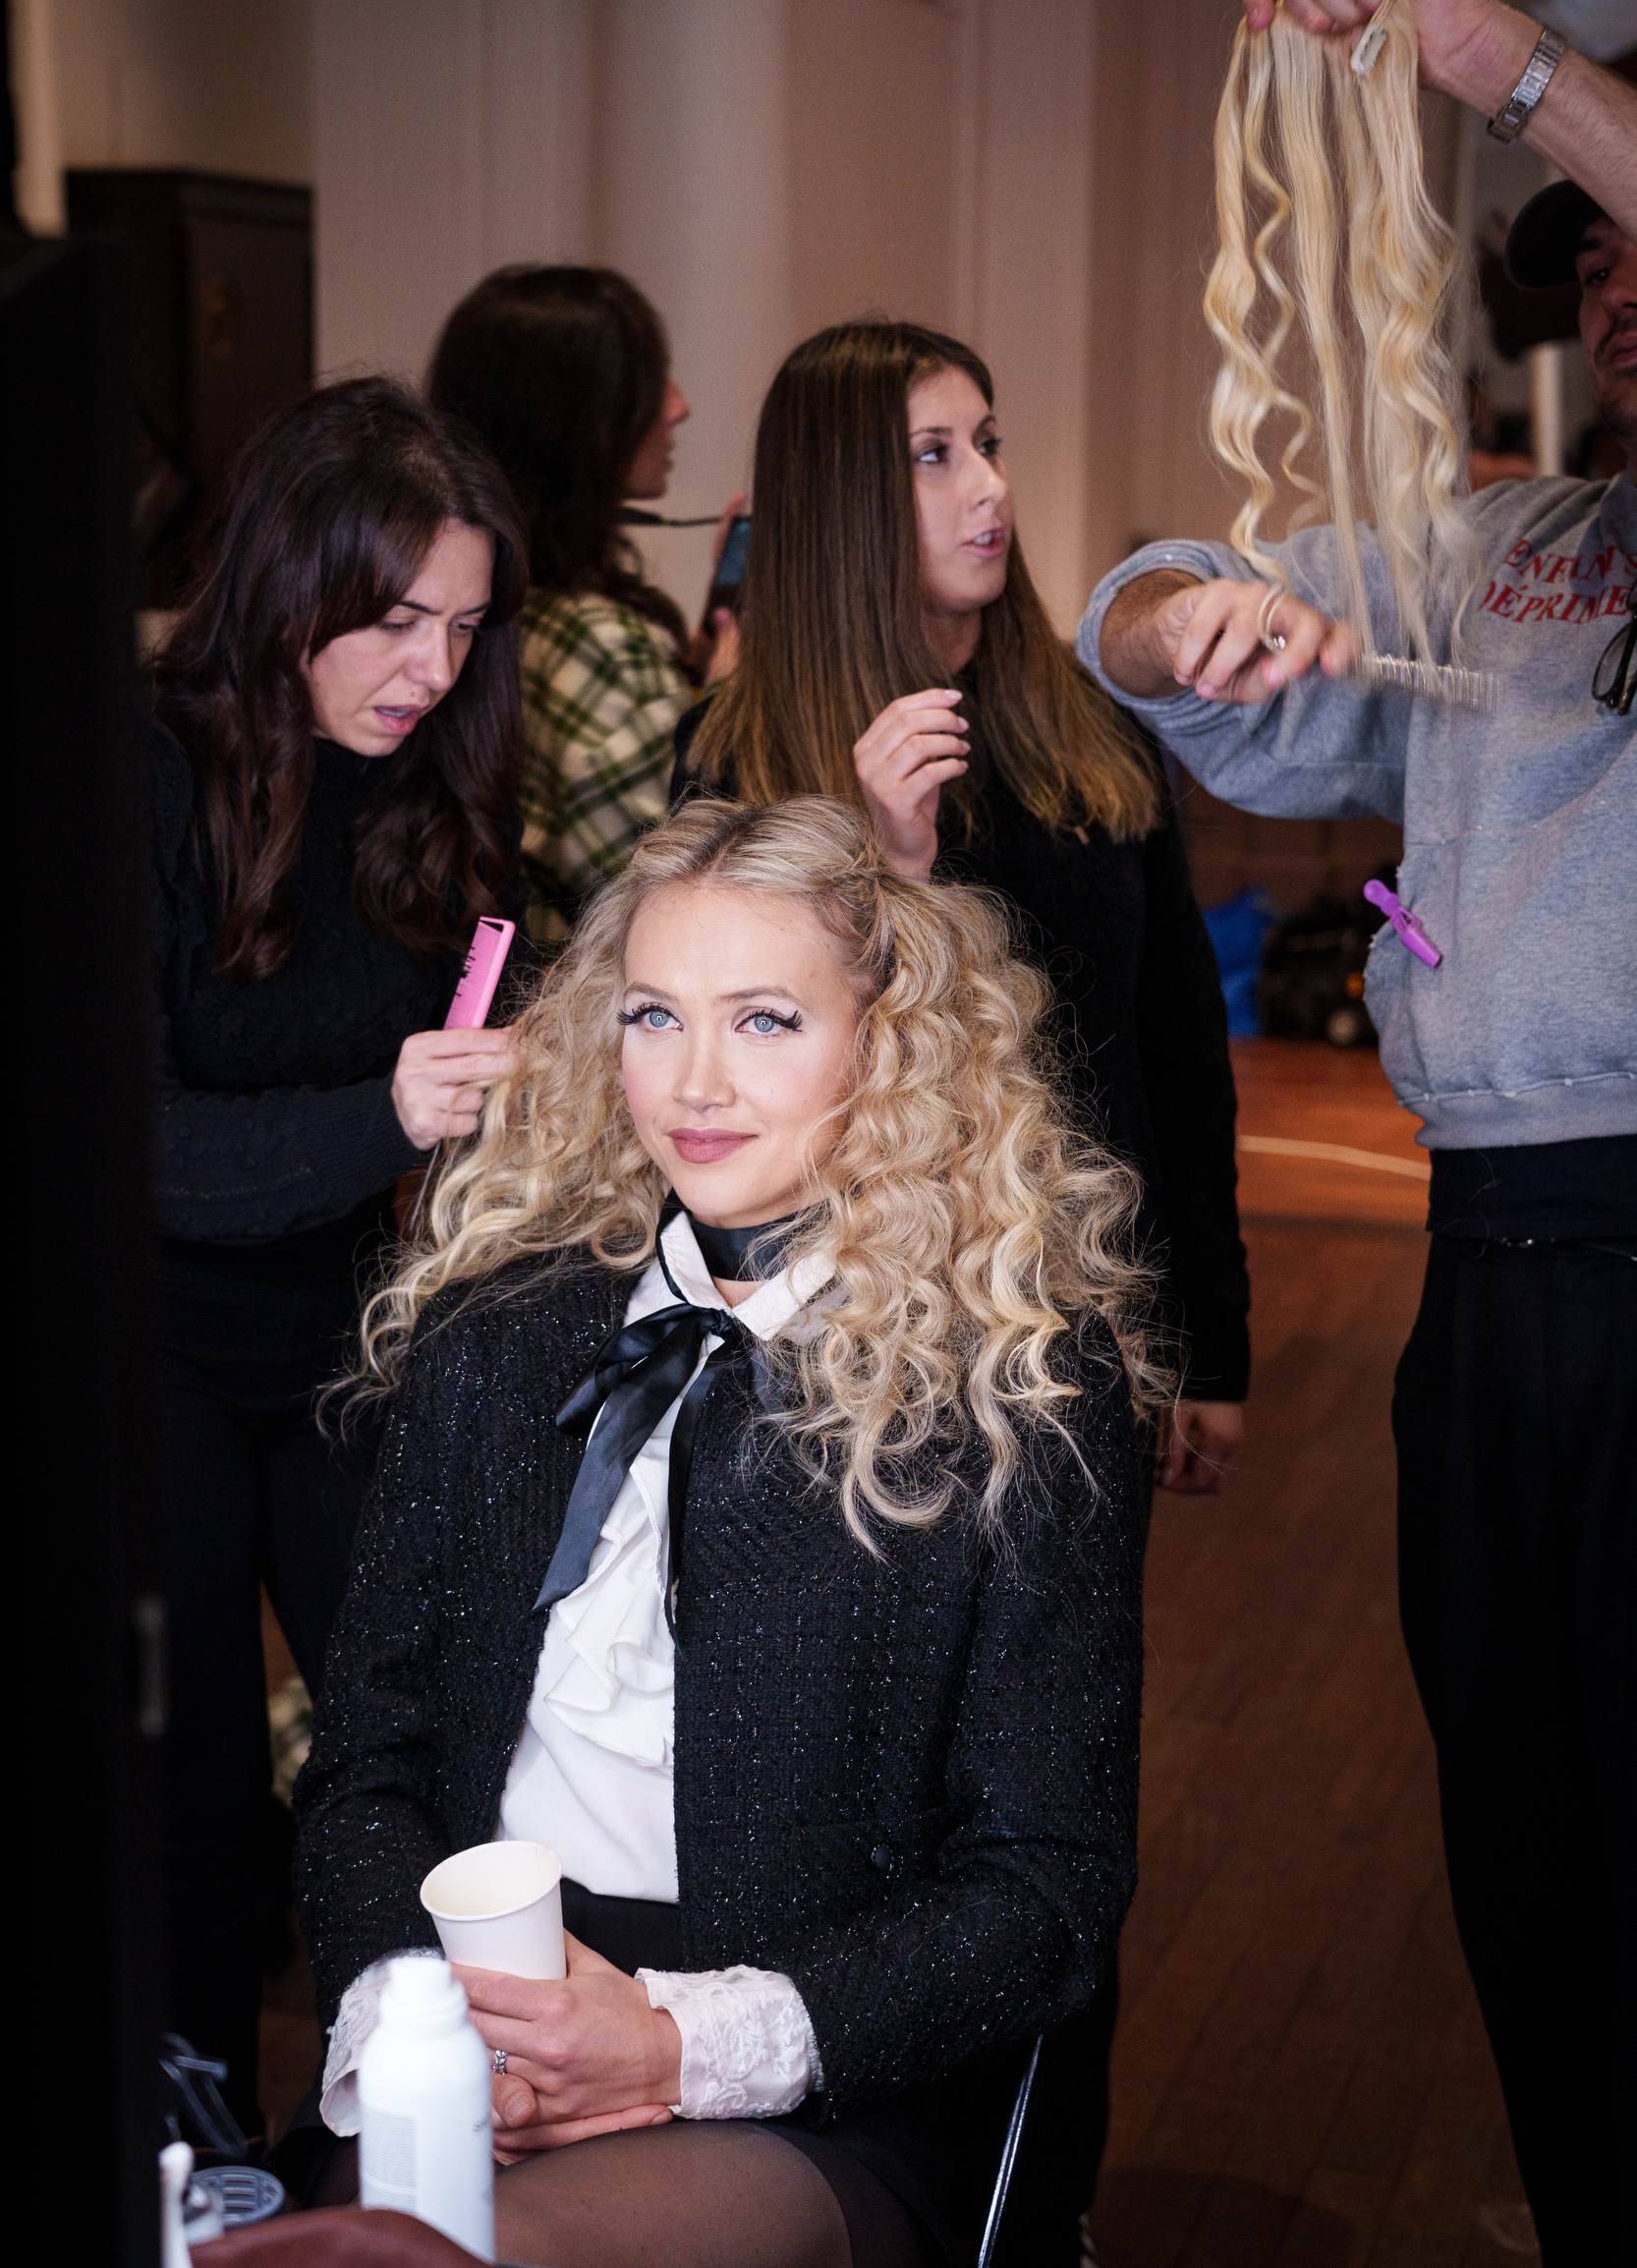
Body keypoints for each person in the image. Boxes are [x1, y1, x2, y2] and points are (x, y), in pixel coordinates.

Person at [1081, 0, 1636, 2267]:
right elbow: (1144, 609)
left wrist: (1499, 57)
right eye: (1597, 269)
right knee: (1525, 1833)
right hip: (1490, 1282)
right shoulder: (1512, 552)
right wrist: (1184, 619)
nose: (1616, 293)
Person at [288, 796, 1154, 2268]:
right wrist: (416, 2025)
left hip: (812, 2077)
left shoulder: (1015, 1389)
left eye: (763, 1022)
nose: (693, 1083)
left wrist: (681, 2046)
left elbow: (1046, 1888)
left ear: (886, 1046)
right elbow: (365, 1765)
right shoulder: (499, 1334)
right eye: (651, 1016)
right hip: (480, 2024)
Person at [673, 321, 1250, 1500]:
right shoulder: (739, 756)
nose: (990, 487)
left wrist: (1209, 1336)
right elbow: (731, 1076)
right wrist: (884, 862)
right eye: (933, 454)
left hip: (1085, 1317)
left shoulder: (1094, 728)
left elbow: (1178, 1051)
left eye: (986, 443)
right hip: (842, 1330)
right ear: (843, 499)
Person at [149, 378, 529, 2134]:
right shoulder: (148, 775)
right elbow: (134, 1155)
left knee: (414, 1756)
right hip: (142, 1348)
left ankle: (400, 2141)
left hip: (334, 1341)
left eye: (458, 627)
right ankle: (200, 2151)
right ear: (288, 582)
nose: (430, 670)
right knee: (191, 1791)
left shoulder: (421, 791)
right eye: (391, 621)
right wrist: (385, 1112)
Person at [428, 265, 741, 944]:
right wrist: (720, 715)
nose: (678, 406)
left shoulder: (484, 610)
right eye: (648, 384)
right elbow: (692, 901)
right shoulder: (602, 647)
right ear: (576, 420)